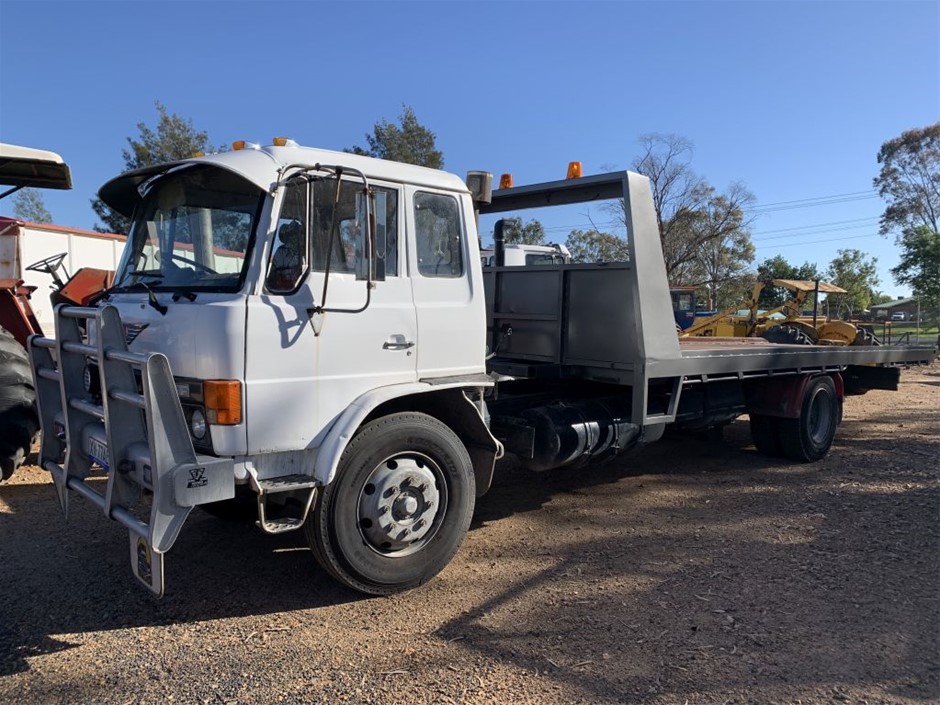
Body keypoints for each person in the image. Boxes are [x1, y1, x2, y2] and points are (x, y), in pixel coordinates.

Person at [267, 220, 306, 291]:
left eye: (296, 234)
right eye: (291, 235)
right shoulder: (281, 251)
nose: (293, 238)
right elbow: (273, 277)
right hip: (284, 290)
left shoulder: (306, 252)